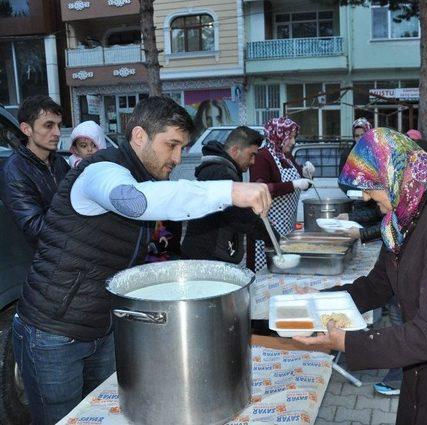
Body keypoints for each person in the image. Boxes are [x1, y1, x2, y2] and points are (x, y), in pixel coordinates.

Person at [11, 96, 271, 425]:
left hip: (103, 325)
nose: (177, 158)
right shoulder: (101, 172)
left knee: (102, 416)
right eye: (171, 145)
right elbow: (133, 202)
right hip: (53, 331)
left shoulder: (142, 176)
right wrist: (228, 191)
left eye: (182, 148)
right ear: (139, 137)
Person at [295, 128, 427, 424]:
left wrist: (348, 342)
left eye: (370, 186)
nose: (367, 197)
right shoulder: (403, 216)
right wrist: (316, 304)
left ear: (394, 172)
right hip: (423, 351)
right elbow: (376, 286)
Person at [182, 126, 275, 263]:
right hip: (207, 259)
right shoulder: (221, 173)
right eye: (251, 155)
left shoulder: (225, 169)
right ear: (235, 150)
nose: (253, 161)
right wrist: (271, 237)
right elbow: (242, 217)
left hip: (211, 254)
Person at [0, 95, 69, 247]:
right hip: (42, 260)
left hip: (68, 250)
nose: (57, 133)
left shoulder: (59, 162)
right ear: (26, 129)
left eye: (59, 125)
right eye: (49, 125)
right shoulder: (14, 171)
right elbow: (36, 229)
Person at [248, 117, 313, 271]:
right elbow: (261, 189)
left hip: (286, 228)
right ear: (277, 136)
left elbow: (300, 186)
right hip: (267, 228)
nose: (293, 142)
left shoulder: (287, 157)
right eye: (289, 137)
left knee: (282, 268)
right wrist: (293, 184)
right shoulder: (262, 157)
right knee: (266, 269)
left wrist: (308, 176)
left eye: (293, 137)